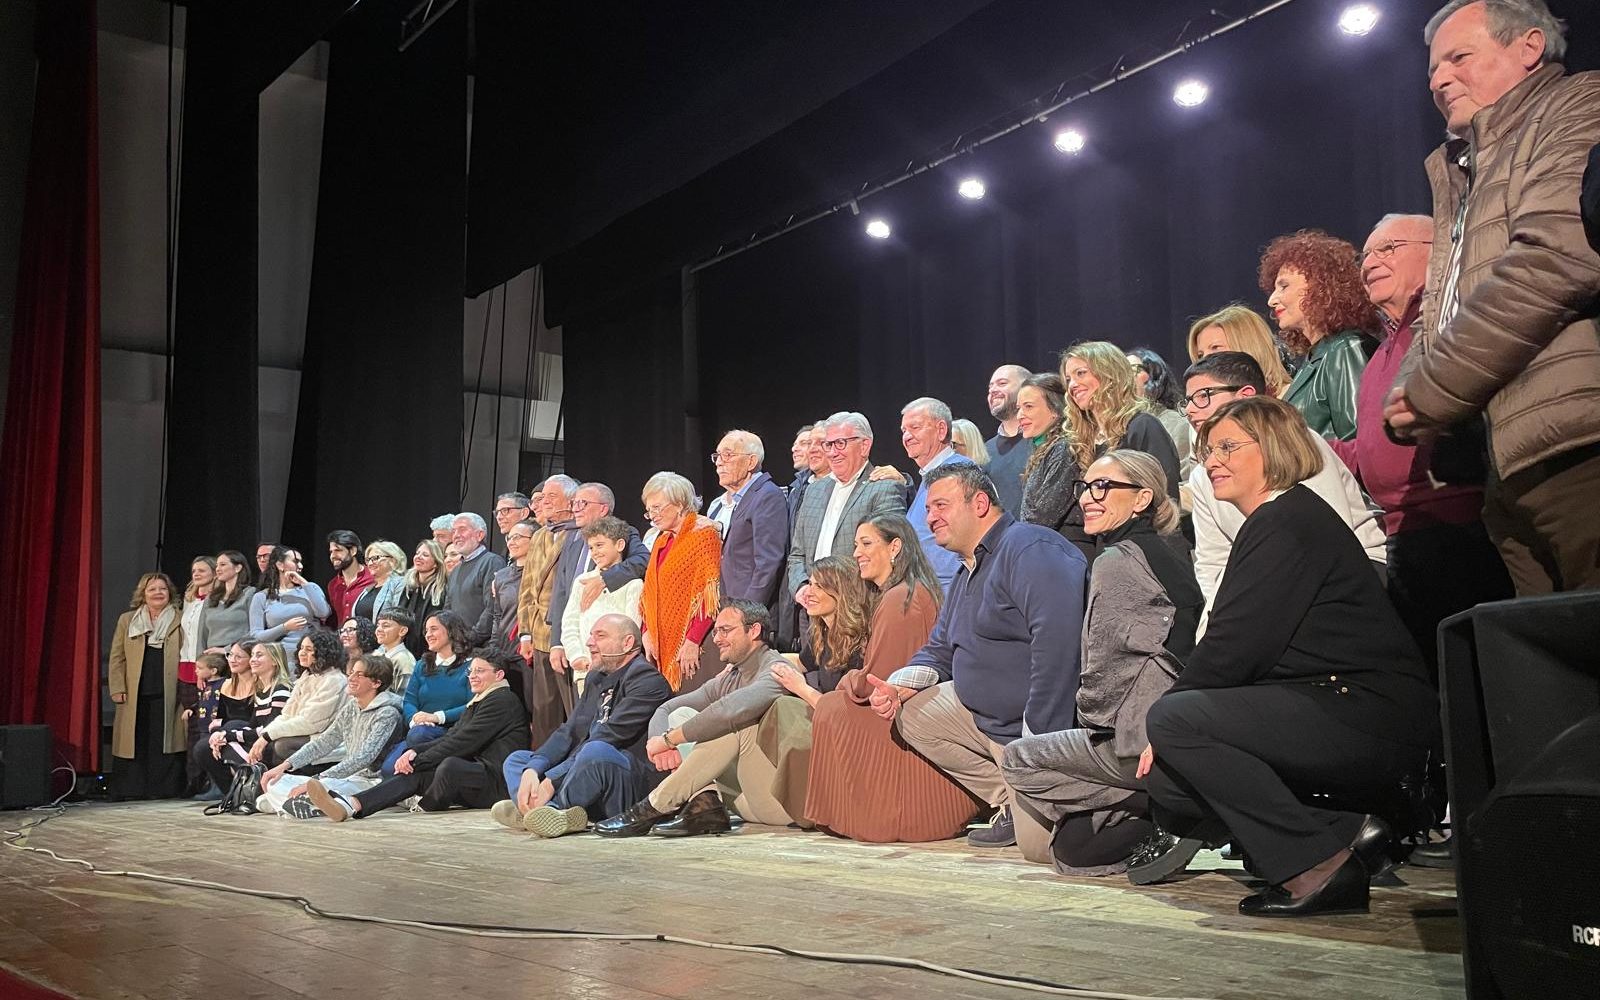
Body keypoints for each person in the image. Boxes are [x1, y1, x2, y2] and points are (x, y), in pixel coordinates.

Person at [1132, 396, 1437, 918]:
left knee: (1174, 723)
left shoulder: (1287, 520)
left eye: (1228, 447)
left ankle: (1317, 869)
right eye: (1208, 451)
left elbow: (1234, 647)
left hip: (1367, 710)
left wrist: (1165, 720)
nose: (1212, 461)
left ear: (1272, 449)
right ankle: (1350, 832)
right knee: (1169, 779)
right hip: (1330, 701)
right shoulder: (1274, 520)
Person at [1384, 0, 1600, 596]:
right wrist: (1411, 386)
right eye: (1433, 68)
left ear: (1529, 47)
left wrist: (1429, 389)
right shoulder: (1463, 167)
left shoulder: (1577, 104)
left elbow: (1554, 260)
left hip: (1577, 445)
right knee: (1543, 649)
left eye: (1459, 57)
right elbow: (1443, 302)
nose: (1438, 80)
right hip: (1504, 467)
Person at [867, 464, 1088, 862]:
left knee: (1041, 850)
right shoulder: (966, 570)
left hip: (1029, 733)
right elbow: (939, 649)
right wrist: (899, 685)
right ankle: (1007, 800)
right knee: (914, 713)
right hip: (987, 724)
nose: (931, 517)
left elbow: (1058, 648)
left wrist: (1038, 743)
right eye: (928, 508)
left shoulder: (1029, 548)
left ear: (980, 503)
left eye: (941, 505)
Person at [1001, 451, 1202, 875]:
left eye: (1103, 487)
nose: (1086, 498)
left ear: (1142, 498)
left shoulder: (1117, 562)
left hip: (1134, 740)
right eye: (1085, 487)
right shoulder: (1168, 551)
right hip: (1168, 729)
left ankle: (1171, 805)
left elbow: (1104, 676)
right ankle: (1159, 808)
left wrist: (1088, 724)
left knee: (1018, 759)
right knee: (1072, 851)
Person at [1345, 214, 1514, 670]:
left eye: (1388, 248)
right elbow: (1371, 451)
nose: (1369, 264)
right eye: (1365, 255)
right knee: (1435, 676)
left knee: (1479, 670)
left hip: (1460, 528)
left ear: (1437, 250)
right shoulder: (1381, 352)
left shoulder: (1451, 321)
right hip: (1402, 535)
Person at [1182, 352, 1386, 638]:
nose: (1190, 409)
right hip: (1269, 585)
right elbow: (1215, 562)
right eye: (1188, 400)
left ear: (1245, 395)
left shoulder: (1294, 443)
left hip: (1349, 575)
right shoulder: (1204, 475)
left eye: (1203, 396)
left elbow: (1325, 538)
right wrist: (1213, 625)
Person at [800, 515, 977, 843]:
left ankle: (881, 814)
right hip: (905, 700)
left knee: (830, 708)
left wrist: (848, 680)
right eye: (856, 545)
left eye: (867, 544)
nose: (857, 553)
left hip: (902, 708)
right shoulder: (904, 593)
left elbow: (879, 680)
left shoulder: (901, 600)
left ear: (895, 547)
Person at [594, 600, 794, 837]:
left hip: (779, 803)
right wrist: (660, 743)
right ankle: (704, 804)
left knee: (729, 725)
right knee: (682, 714)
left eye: (725, 630)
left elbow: (728, 711)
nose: (717, 638)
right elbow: (666, 709)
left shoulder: (778, 669)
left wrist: (670, 740)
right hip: (744, 802)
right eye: (716, 631)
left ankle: (654, 806)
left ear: (754, 631)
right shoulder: (730, 677)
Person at [492, 615, 675, 837]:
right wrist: (534, 768)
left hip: (629, 783)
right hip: (586, 770)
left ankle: (552, 809)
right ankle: (537, 810)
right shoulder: (596, 677)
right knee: (518, 760)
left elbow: (606, 736)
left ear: (627, 643)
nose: (589, 642)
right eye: (590, 636)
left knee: (595, 751)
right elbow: (570, 731)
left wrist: (553, 779)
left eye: (600, 636)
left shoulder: (647, 681)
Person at [303, 649, 531, 821]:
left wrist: (419, 759)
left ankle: (425, 804)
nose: (472, 676)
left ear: (499, 674)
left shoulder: (502, 700)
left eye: (480, 671)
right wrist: (414, 752)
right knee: (417, 772)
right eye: (471, 671)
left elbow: (463, 742)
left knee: (450, 765)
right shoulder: (480, 700)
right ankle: (352, 805)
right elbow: (451, 736)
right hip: (475, 773)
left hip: (496, 783)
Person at [788, 412, 908, 638]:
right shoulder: (814, 491)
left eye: (840, 443)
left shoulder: (884, 488)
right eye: (828, 444)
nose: (833, 452)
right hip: (813, 618)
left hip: (859, 613)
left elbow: (887, 557)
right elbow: (797, 555)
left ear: (864, 446)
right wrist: (801, 587)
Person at [1259, 230, 1377, 441]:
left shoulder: (1344, 349)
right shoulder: (1316, 356)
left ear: (1320, 285)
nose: (1272, 300)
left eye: (1284, 286)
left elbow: (1356, 439)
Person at [259, 653, 404, 818]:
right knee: (276, 781)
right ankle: (301, 804)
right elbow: (324, 742)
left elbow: (364, 758)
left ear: (376, 683)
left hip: (369, 781)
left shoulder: (388, 713)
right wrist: (284, 766)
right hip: (344, 777)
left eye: (359, 674)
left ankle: (293, 804)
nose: (351, 678)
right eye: (351, 672)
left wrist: (317, 780)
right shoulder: (352, 706)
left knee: (321, 786)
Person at [547, 481, 650, 672]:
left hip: (613, 656)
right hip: (577, 648)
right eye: (574, 503)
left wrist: (605, 579)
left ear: (603, 509)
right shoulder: (572, 540)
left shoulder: (624, 533)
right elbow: (561, 591)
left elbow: (643, 560)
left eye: (583, 503)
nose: (575, 509)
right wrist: (557, 643)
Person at [1060, 341, 1182, 502]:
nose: (1072, 385)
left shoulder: (1143, 426)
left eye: (1081, 373)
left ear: (1110, 374)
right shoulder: (1081, 440)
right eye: (1068, 379)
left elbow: (1165, 496)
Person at [639, 471, 724, 692]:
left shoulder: (704, 534)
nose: (653, 515)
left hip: (695, 644)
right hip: (659, 643)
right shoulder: (662, 541)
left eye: (657, 508)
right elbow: (649, 594)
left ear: (679, 504)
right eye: (649, 510)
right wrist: (646, 631)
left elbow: (709, 594)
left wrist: (693, 639)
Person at [108, 572, 188, 800]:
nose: (158, 593)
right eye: (152, 589)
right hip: (135, 691)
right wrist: (117, 687)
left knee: (164, 740)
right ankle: (132, 790)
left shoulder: (180, 618)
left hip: (169, 690)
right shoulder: (127, 620)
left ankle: (163, 789)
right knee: (135, 739)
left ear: (170, 592)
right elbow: (117, 657)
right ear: (143, 594)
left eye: (162, 589)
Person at [706, 430, 790, 614]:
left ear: (751, 462)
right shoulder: (732, 501)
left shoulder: (767, 496)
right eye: (717, 456)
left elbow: (768, 563)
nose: (719, 462)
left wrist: (747, 613)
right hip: (728, 607)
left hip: (749, 613)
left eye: (728, 455)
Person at [381, 610, 473, 774]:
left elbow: (472, 705)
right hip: (420, 730)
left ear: (451, 631)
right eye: (426, 630)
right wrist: (415, 720)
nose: (428, 635)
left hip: (451, 732)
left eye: (433, 629)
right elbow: (409, 701)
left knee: (418, 738)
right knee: (388, 770)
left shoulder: (471, 666)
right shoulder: (422, 664)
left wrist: (437, 717)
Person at [196, 641, 293, 795]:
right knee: (214, 743)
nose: (253, 659)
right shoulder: (261, 692)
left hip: (273, 742)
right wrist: (223, 735)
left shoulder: (281, 690)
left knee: (226, 742)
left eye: (259, 655)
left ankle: (259, 789)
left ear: (275, 661)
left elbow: (269, 730)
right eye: (253, 655)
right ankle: (238, 793)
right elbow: (253, 725)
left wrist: (228, 736)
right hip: (260, 740)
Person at [558, 516, 646, 680]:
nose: (595, 552)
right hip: (584, 670)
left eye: (599, 545)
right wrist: (576, 656)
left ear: (620, 545)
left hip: (618, 672)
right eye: (591, 548)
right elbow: (570, 623)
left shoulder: (633, 585)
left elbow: (631, 631)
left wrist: (611, 662)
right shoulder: (582, 581)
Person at [897, 397, 971, 591]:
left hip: (949, 594)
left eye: (915, 427)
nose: (907, 436)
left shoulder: (958, 473)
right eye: (904, 431)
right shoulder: (930, 476)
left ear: (941, 430)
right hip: (928, 593)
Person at [250, 630, 349, 767]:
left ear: (323, 653)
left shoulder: (334, 680)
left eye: (308, 650)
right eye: (301, 648)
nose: (302, 653)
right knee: (268, 741)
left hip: (329, 740)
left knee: (282, 746)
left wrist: (268, 736)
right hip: (310, 733)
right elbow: (287, 715)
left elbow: (311, 723)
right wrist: (265, 735)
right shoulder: (306, 676)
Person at [1015, 373, 1088, 559]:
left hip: (1067, 554)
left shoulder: (1064, 448)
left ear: (1055, 409)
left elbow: (1043, 515)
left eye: (1028, 406)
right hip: (1049, 550)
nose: (1020, 415)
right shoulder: (1046, 450)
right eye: (1019, 408)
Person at [778, 422, 831, 651]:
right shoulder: (800, 489)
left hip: (835, 594)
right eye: (809, 443)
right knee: (808, 658)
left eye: (818, 443)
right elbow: (796, 549)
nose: (810, 449)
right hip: (801, 591)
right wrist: (799, 585)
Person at [188, 640, 258, 800]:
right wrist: (218, 728)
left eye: (239, 657)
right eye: (230, 655)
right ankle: (231, 792)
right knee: (201, 748)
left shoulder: (259, 684)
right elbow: (222, 716)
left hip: (251, 730)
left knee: (232, 726)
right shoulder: (227, 685)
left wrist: (224, 729)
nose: (232, 660)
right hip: (229, 729)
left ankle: (251, 787)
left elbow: (257, 718)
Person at [1186, 304, 1293, 397]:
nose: (1204, 360)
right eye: (1200, 355)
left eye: (1216, 348)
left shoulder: (1293, 401)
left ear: (1249, 347)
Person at [249, 545, 332, 663]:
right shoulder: (261, 597)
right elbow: (256, 636)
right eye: (295, 561)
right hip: (280, 659)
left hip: (311, 656)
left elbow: (323, 613)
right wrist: (284, 627)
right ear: (280, 565)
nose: (301, 566)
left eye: (301, 562)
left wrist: (303, 583)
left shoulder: (309, 588)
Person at [1128, 348, 1195, 481]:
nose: (1125, 378)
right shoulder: (1119, 427)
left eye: (1133, 370)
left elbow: (1183, 480)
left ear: (1155, 374)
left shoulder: (1175, 423)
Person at [445, 512, 507, 646]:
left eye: (462, 529)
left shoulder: (492, 562)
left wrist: (472, 638)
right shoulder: (455, 570)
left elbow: (493, 607)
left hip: (481, 647)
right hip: (458, 646)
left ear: (480, 535)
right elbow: (448, 609)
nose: (456, 535)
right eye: (454, 531)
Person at [983, 364, 1035, 517]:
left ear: (1026, 388)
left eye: (1002, 383)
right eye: (990, 387)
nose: (993, 390)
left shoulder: (1046, 440)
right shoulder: (985, 451)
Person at [198, 550, 256, 653]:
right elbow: (202, 634)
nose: (217, 569)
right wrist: (201, 658)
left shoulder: (249, 594)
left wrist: (226, 650)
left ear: (238, 568)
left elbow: (254, 631)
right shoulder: (211, 598)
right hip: (212, 656)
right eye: (217, 566)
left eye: (223, 565)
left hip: (238, 654)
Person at [398, 539, 447, 655]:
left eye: (425, 555)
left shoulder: (442, 590)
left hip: (429, 651)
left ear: (436, 563)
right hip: (405, 648)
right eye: (417, 553)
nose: (418, 557)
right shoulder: (409, 587)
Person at [351, 540, 407, 622]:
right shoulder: (367, 589)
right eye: (368, 560)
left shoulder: (400, 583)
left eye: (375, 558)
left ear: (393, 560)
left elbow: (398, 617)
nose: (370, 563)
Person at [325, 530, 374, 624]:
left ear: (353, 551)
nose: (332, 556)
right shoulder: (333, 585)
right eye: (331, 552)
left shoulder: (373, 578)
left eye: (338, 550)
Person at [373, 608, 418, 695]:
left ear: (402, 631)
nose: (378, 629)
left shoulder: (405, 661)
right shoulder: (377, 653)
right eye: (378, 625)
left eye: (385, 626)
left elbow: (403, 697)